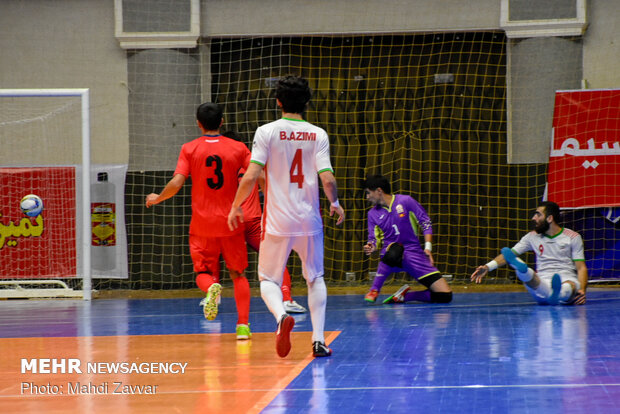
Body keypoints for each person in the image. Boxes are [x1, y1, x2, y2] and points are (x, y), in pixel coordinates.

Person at [228, 75, 345, 358]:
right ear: (307, 102)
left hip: (278, 220)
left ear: (278, 101)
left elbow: (252, 174)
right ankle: (318, 341)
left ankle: (281, 317)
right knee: (315, 278)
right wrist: (336, 202)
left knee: (268, 279)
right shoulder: (318, 134)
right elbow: (327, 178)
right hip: (309, 219)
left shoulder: (266, 131)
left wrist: (236, 205)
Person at [145, 102, 253, 340]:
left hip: (202, 224)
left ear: (198, 123)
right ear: (222, 122)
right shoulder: (238, 148)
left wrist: (157, 197)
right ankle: (243, 326)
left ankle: (210, 288)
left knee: (203, 271)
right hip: (232, 221)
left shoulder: (189, 148)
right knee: (238, 274)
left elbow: (177, 183)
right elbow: (257, 175)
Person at [222, 131, 307, 314]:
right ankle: (286, 299)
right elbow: (262, 179)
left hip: (230, 221)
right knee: (276, 259)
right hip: (253, 220)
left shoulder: (222, 163)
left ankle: (210, 296)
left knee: (215, 257)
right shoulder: (250, 162)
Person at [471, 201, 587, 305]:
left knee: (570, 286)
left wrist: (581, 290)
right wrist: (488, 266)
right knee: (532, 278)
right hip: (541, 281)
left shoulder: (572, 237)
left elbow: (581, 268)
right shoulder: (532, 237)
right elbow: (509, 254)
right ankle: (526, 272)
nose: (533, 218)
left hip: (565, 279)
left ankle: (554, 291)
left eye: (538, 214)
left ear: (550, 218)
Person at [362, 174, 452, 305]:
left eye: (368, 193)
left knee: (445, 296)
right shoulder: (372, 214)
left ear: (379, 190)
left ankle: (403, 297)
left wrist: (428, 248)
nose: (367, 197)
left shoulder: (405, 201)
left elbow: (425, 222)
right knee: (395, 249)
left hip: (414, 254)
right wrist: (371, 246)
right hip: (392, 256)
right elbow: (374, 239)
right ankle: (374, 289)